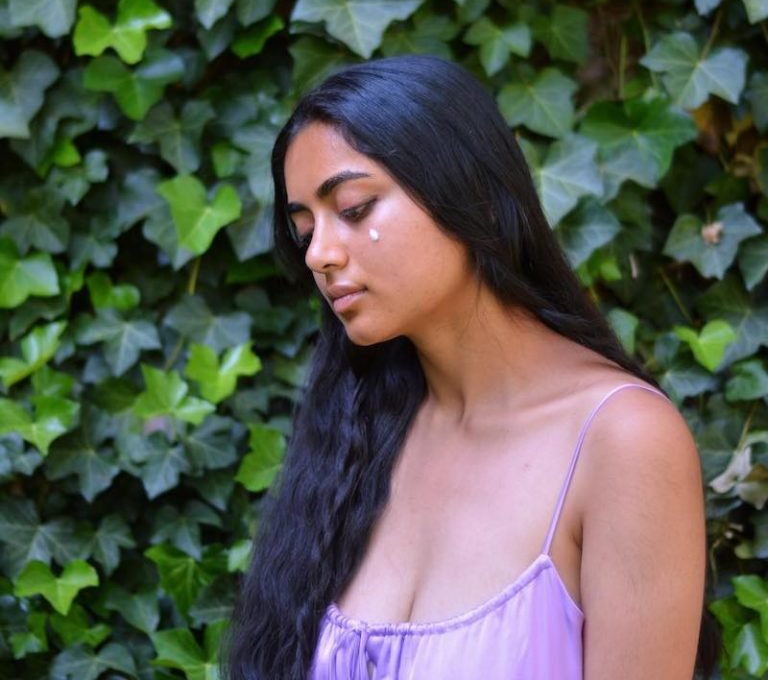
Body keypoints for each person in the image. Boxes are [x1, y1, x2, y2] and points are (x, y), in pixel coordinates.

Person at [225, 55, 707, 679]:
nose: (319, 254)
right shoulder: (358, 436)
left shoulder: (622, 441)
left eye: (354, 208)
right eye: (303, 229)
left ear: (469, 194)